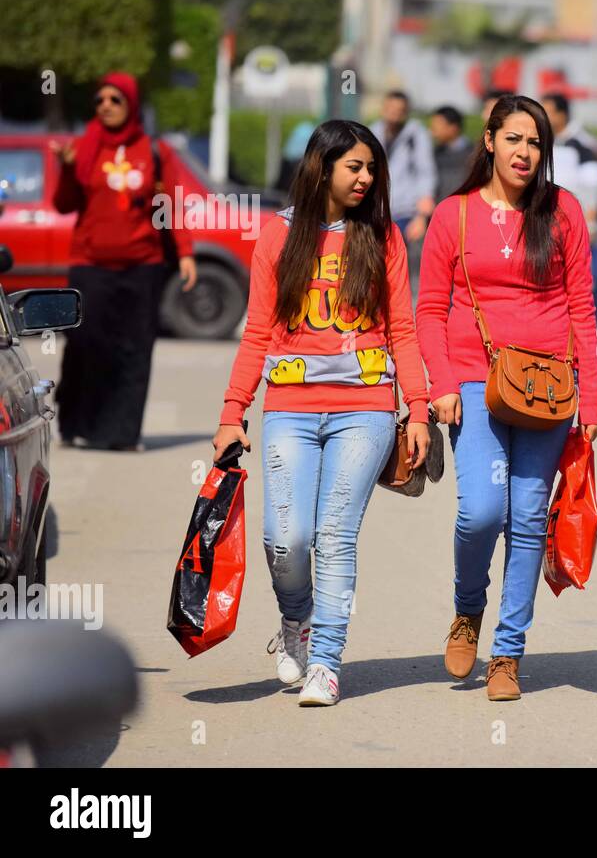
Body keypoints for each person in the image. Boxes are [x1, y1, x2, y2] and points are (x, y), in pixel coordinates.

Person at [213, 120, 431, 706]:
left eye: (371, 169)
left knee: (335, 536)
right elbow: (257, 330)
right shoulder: (276, 236)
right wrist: (232, 412)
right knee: (286, 539)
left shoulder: (382, 237)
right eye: (354, 167)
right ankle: (296, 620)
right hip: (289, 407)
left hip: (365, 409)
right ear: (321, 168)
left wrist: (417, 410)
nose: (365, 178)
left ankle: (327, 663)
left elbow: (403, 330)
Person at [416, 95, 597, 703]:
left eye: (536, 143)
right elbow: (428, 310)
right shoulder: (455, 214)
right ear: (490, 140)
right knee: (481, 512)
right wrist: (439, 385)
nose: (526, 153)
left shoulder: (565, 211)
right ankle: (468, 609)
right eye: (515, 139)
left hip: (549, 388)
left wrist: (593, 396)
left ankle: (508, 653)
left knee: (527, 520)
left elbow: (582, 305)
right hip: (475, 381)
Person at [50, 72, 198, 451]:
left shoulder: (155, 151)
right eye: (100, 100)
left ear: (131, 104)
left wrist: (184, 253)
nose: (106, 107)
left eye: (115, 100)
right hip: (90, 264)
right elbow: (63, 204)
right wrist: (67, 167)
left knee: (134, 348)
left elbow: (171, 206)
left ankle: (121, 433)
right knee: (84, 343)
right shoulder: (84, 147)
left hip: (142, 265)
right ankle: (77, 423)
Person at [542, 93, 597, 322]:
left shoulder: (583, 144)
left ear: (562, 114)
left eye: (548, 111)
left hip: (579, 224)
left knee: (586, 279)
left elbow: (594, 186)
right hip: (549, 222)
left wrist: (588, 224)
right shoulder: (544, 140)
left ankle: (594, 326)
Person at [369, 90, 436, 294]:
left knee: (404, 269)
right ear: (383, 108)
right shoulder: (373, 132)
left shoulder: (416, 135)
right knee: (376, 266)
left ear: (406, 112)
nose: (394, 114)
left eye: (400, 110)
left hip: (407, 213)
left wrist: (422, 216)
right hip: (378, 212)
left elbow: (426, 172)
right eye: (390, 109)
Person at [431, 105, 474, 204]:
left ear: (453, 128)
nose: (433, 130)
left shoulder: (473, 154)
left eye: (438, 125)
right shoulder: (435, 153)